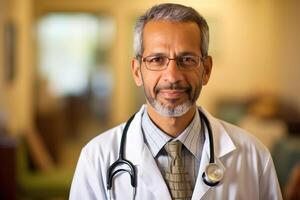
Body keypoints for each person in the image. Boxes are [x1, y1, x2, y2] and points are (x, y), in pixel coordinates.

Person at [69, 3, 282, 200]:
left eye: (187, 60)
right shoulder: (96, 158)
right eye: (156, 60)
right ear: (136, 71)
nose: (172, 76)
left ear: (206, 70)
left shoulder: (255, 156)